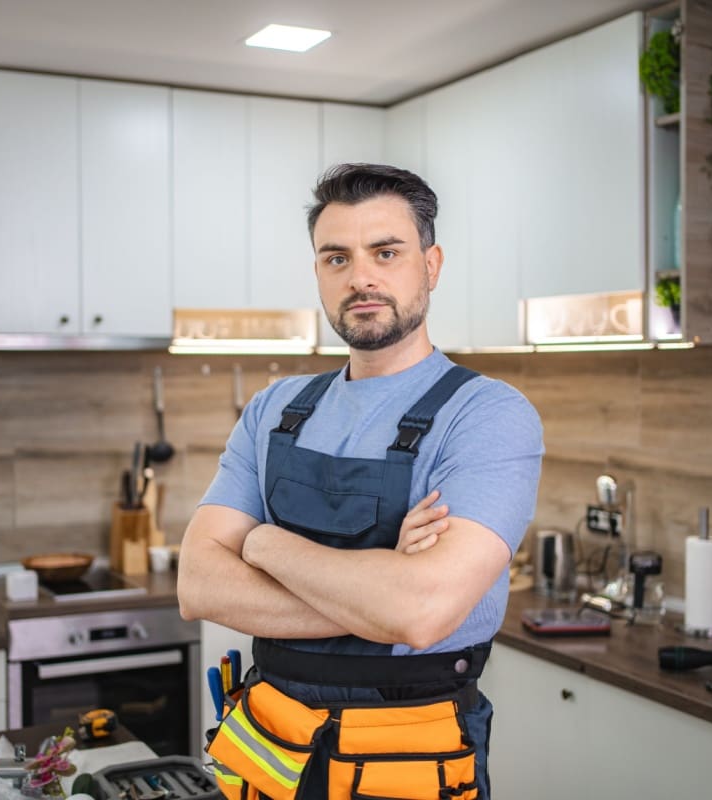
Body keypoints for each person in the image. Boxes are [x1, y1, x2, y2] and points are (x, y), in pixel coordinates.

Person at [177, 163, 543, 800]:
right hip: (270, 754)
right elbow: (198, 585)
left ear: (431, 265)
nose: (361, 277)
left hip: (405, 760)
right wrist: (378, 589)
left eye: (386, 252)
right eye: (336, 258)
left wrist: (263, 546)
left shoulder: (488, 414)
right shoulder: (274, 409)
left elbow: (420, 611)